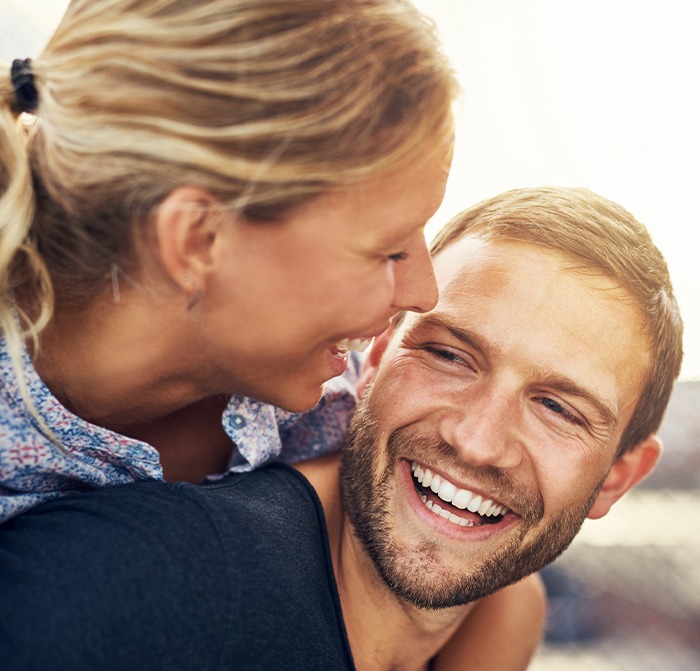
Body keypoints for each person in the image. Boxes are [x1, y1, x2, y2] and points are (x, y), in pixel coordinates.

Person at [0, 186, 683, 670]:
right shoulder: (131, 583)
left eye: (558, 407)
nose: (476, 440)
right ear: (376, 356)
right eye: (448, 354)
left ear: (617, 476)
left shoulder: (502, 608)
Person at [0, 0, 457, 521]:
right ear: (197, 238)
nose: (424, 294)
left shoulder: (321, 401)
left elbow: (512, 597)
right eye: (389, 250)